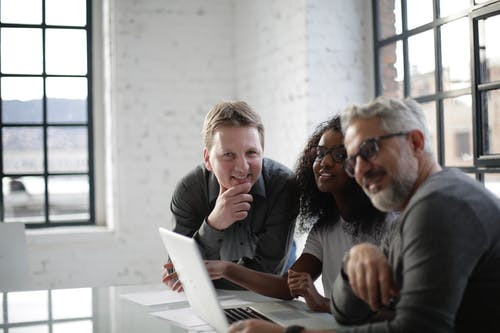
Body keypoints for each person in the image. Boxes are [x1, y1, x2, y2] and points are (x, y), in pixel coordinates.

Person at [227, 97, 500, 333]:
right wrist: (355, 261)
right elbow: (348, 313)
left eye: (369, 151)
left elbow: (417, 329)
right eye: (353, 160)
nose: (359, 170)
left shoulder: (441, 204)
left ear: (415, 142)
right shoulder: (413, 212)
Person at [202, 115, 394, 312]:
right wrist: (226, 269)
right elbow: (287, 287)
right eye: (320, 153)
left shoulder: (392, 226)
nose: (325, 162)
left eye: (340, 155)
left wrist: (323, 303)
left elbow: (399, 312)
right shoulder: (324, 229)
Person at [162, 101, 299, 290]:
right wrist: (214, 224)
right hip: (213, 300)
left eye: (251, 153)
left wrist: (202, 274)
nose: (242, 167)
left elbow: (269, 273)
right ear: (208, 159)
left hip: (275, 297)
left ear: (262, 153)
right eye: (228, 154)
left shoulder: (283, 186)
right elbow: (177, 272)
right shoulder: (190, 190)